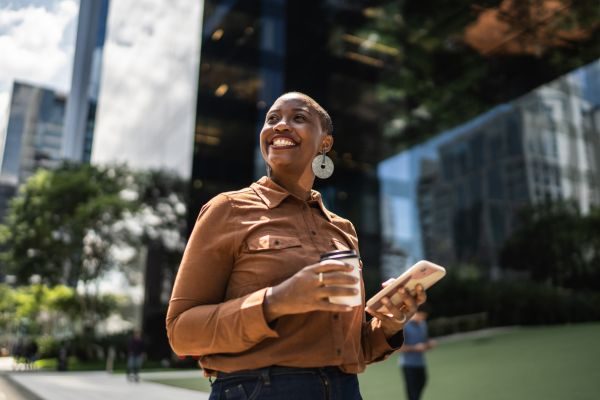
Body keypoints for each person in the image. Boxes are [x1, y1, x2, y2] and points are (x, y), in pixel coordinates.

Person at [166, 92, 427, 399]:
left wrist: (388, 325)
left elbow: (348, 348)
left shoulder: (343, 230)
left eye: (298, 118)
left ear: (325, 144)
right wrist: (276, 300)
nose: (280, 126)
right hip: (257, 390)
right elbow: (181, 333)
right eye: (272, 119)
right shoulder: (227, 209)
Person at [398, 307, 437, 400]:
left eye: (424, 317)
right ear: (415, 313)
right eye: (421, 316)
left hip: (421, 363)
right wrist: (415, 348)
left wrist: (429, 344)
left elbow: (424, 341)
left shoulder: (423, 324)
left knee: (422, 382)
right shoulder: (404, 326)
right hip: (408, 364)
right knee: (412, 392)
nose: (422, 319)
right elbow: (399, 348)